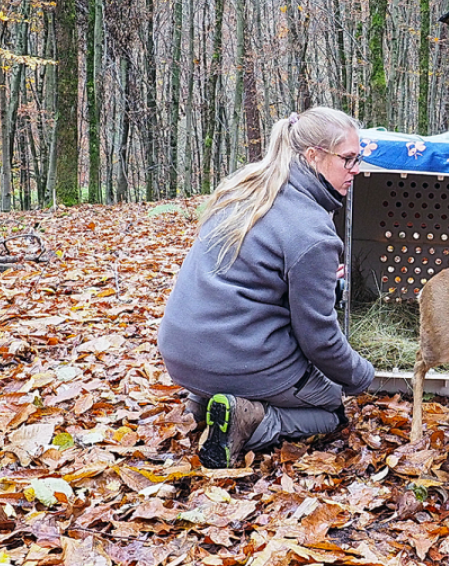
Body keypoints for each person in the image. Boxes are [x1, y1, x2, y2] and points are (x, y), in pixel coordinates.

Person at [158, 107, 375, 468]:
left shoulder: (246, 188)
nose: (357, 169)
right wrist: (361, 376)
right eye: (348, 160)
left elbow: (257, 284)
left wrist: (322, 284)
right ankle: (254, 420)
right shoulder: (313, 232)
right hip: (234, 358)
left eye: (359, 158)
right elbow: (318, 338)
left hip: (180, 354)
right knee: (331, 409)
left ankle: (204, 401)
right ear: (313, 157)